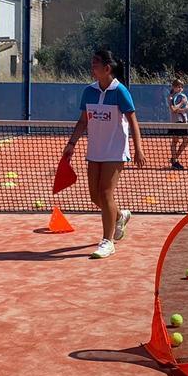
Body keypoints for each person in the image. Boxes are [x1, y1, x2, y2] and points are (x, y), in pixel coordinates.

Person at [62, 50, 147, 259]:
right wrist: (71, 143)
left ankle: (107, 242)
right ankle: (120, 215)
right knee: (95, 196)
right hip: (95, 150)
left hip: (115, 151)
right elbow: (83, 121)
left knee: (106, 192)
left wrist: (138, 148)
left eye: (95, 65)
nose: (92, 68)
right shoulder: (88, 91)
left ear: (107, 68)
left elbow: (133, 121)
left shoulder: (120, 91)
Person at [167, 79, 188, 170]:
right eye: (178, 87)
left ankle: (174, 158)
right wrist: (181, 103)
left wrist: (182, 109)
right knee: (175, 141)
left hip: (184, 121)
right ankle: (175, 162)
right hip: (176, 122)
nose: (180, 89)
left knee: (186, 141)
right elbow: (173, 109)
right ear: (173, 87)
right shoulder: (170, 97)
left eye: (181, 87)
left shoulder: (183, 96)